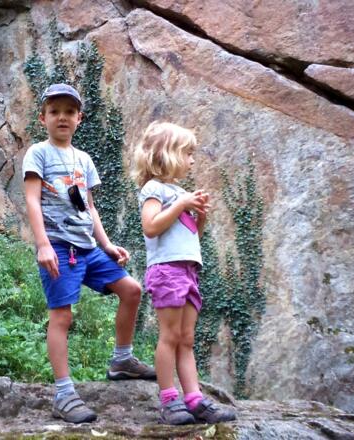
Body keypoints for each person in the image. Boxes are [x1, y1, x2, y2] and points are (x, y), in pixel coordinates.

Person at [22, 84, 156, 424]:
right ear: (43, 118)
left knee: (132, 290)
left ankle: (122, 361)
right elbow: (32, 200)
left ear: (80, 118)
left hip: (88, 247)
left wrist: (107, 244)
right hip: (59, 248)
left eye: (69, 111)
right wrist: (42, 244)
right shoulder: (38, 153)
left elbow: (89, 207)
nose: (62, 117)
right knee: (61, 317)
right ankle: (64, 394)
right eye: (55, 111)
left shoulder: (83, 159)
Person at [131, 121, 237, 425]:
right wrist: (181, 204)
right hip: (167, 271)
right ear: (167, 155)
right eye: (188, 153)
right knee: (170, 335)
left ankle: (194, 399)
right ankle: (169, 398)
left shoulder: (178, 193)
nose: (192, 160)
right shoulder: (154, 190)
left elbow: (190, 237)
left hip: (188, 270)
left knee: (187, 338)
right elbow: (151, 226)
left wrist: (198, 216)